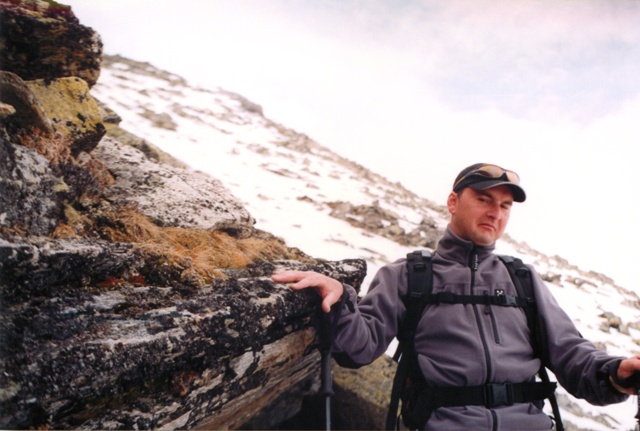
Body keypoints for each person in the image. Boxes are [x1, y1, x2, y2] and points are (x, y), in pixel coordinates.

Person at [272, 163, 640, 430]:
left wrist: (615, 373)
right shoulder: (407, 275)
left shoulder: (522, 278)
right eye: (483, 199)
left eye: (505, 206)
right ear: (453, 201)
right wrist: (339, 301)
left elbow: (571, 354)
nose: (495, 212)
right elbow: (360, 348)